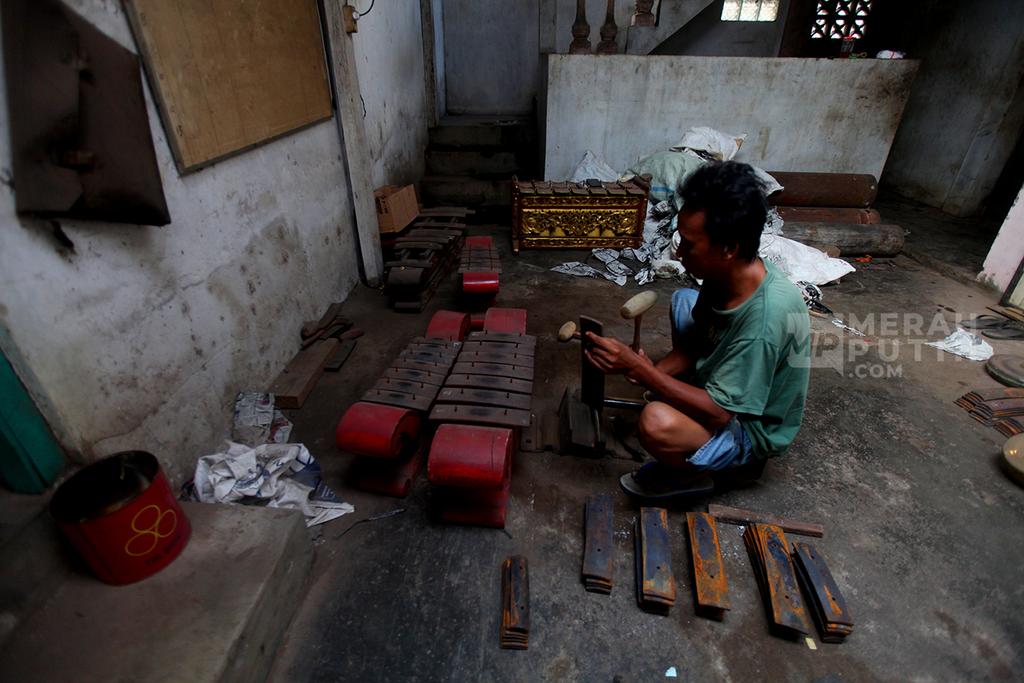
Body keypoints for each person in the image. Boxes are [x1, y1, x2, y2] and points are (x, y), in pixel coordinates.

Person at [585, 161, 810, 501]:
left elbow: (720, 413)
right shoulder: (727, 274)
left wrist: (645, 373)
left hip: (751, 427)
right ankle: (693, 396)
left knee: (656, 422)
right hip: (734, 376)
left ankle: (711, 470)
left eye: (690, 244)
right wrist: (650, 370)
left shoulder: (764, 320)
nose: (678, 251)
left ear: (729, 248)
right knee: (683, 300)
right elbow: (696, 343)